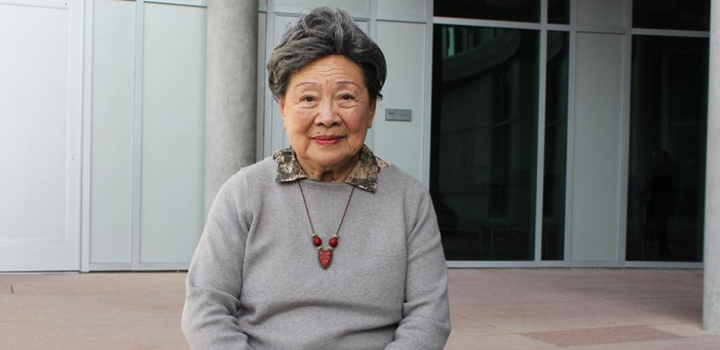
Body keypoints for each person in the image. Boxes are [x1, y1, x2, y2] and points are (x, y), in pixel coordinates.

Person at [181, 7, 450, 350]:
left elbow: (429, 318)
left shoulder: (408, 199)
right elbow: (205, 307)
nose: (327, 117)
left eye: (346, 97)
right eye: (308, 98)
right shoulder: (244, 193)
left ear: (370, 111)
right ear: (283, 108)